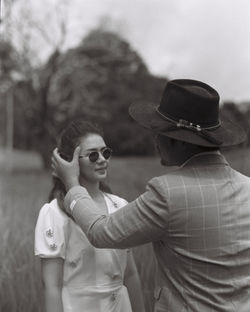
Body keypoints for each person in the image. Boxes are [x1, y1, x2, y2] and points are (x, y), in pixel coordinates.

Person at [51, 79, 250, 312]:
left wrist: (72, 184)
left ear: (177, 140)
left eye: (159, 132)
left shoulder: (168, 193)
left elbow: (100, 233)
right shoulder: (247, 187)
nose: (155, 141)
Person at [34, 120, 145, 312]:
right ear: (70, 161)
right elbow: (51, 287)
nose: (102, 159)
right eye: (93, 155)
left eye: (106, 152)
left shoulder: (119, 205)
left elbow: (131, 274)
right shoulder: (54, 213)